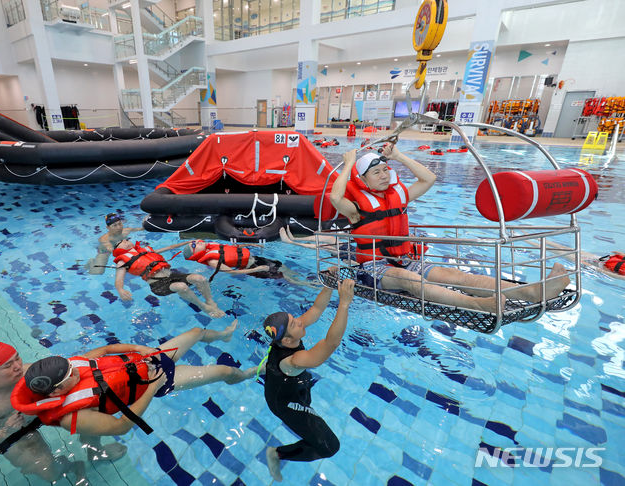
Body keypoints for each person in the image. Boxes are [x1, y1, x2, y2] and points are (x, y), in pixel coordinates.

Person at [328, 145, 571, 312]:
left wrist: (399, 156)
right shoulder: (356, 209)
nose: (383, 175)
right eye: (375, 172)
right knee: (411, 280)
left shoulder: (399, 196)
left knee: (459, 276)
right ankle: (477, 305)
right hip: (374, 267)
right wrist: (348, 163)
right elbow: (335, 197)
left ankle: (534, 292)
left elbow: (429, 179)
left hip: (404, 259)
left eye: (385, 170)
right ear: (362, 179)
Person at [12, 321, 255, 437]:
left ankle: (222, 336)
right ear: (55, 392)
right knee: (226, 372)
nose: (75, 371)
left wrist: (140, 348)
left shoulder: (75, 365)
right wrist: (154, 385)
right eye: (69, 375)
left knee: (196, 331)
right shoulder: (71, 417)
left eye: (71, 367)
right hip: (156, 383)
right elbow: (121, 426)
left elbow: (108, 350)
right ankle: (247, 375)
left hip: (146, 361)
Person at [0, 342, 117, 484]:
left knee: (92, 407)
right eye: (7, 366)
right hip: (14, 432)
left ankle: (95, 450)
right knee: (50, 473)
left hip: (40, 413)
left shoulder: (31, 373)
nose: (18, 366)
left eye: (17, 358)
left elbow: (77, 370)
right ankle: (73, 467)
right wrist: (5, 432)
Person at [261, 280, 355, 482]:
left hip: (289, 387)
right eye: (294, 323)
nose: (300, 321)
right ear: (286, 341)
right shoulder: (294, 360)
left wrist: (329, 284)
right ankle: (276, 454)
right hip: (284, 404)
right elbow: (331, 343)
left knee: (307, 400)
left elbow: (316, 308)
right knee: (330, 447)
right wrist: (344, 303)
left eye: (294, 318)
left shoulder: (288, 335)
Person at [112, 238, 226, 317]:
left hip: (172, 275)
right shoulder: (122, 261)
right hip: (158, 284)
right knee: (182, 287)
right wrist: (120, 289)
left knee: (200, 279)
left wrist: (185, 243)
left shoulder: (145, 250)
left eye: (127, 239)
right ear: (117, 248)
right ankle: (204, 307)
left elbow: (170, 247)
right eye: (122, 241)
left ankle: (210, 301)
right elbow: (118, 279)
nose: (126, 240)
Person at [183, 239, 316, 286]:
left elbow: (233, 249)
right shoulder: (212, 260)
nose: (197, 242)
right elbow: (233, 272)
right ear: (195, 254)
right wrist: (256, 270)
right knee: (284, 276)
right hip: (253, 267)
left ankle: (306, 279)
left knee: (282, 266)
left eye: (194, 241)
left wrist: (251, 244)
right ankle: (308, 285)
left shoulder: (211, 247)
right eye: (194, 245)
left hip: (256, 259)